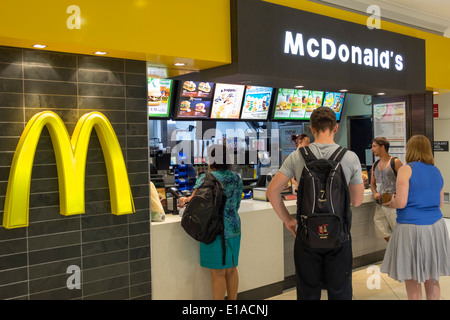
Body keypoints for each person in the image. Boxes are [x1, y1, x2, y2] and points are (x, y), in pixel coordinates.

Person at [267, 107, 364, 300]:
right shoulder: (350, 157)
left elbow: (272, 192)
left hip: (306, 236)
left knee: (308, 292)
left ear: (312, 129)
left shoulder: (297, 156)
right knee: (340, 292)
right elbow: (357, 200)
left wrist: (288, 221)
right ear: (335, 128)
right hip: (339, 235)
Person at [381, 135, 450, 300]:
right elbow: (440, 203)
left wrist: (390, 202)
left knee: (412, 279)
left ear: (410, 150)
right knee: (432, 279)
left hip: (411, 228)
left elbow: (401, 202)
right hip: (436, 228)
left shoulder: (406, 169)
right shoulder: (436, 170)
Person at [179, 144, 243, 300]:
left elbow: (194, 200)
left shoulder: (206, 178)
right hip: (234, 227)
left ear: (211, 160)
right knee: (232, 268)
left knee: (217, 272)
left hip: (213, 228)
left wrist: (183, 200)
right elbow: (236, 204)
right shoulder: (236, 178)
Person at [370, 137, 403, 241]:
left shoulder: (395, 162)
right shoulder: (375, 165)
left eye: (374, 146)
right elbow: (372, 183)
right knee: (380, 228)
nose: (372, 149)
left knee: (398, 231)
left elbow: (405, 181)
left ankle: (400, 252)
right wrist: (374, 192)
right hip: (380, 204)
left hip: (394, 204)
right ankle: (394, 248)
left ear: (382, 147)